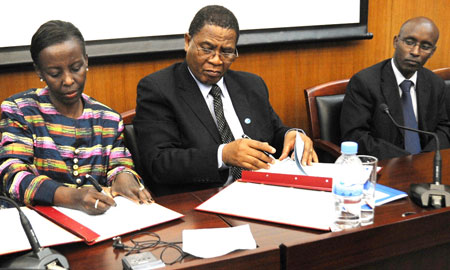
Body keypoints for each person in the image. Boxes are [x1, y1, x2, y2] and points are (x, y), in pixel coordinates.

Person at [134, 5, 318, 196]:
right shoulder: (159, 89)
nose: (216, 60)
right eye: (207, 49)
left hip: (260, 192)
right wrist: (222, 155)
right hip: (199, 201)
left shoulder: (251, 85)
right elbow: (159, 163)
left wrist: (293, 135)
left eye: (227, 52)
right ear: (188, 42)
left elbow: (273, 133)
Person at [0, 20, 152, 214]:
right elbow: (12, 176)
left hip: (98, 225)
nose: (69, 80)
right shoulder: (20, 111)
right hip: (38, 225)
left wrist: (124, 177)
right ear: (39, 71)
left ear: (86, 61)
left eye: (76, 68)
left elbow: (118, 164)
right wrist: (71, 196)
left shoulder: (107, 119)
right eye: (55, 73)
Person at [340, 17, 450, 160]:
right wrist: (407, 161)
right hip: (386, 165)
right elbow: (355, 136)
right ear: (396, 42)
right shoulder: (364, 82)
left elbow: (444, 129)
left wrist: (424, 159)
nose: (415, 52)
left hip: (427, 165)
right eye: (409, 42)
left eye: (425, 46)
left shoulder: (436, 84)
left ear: (432, 51)